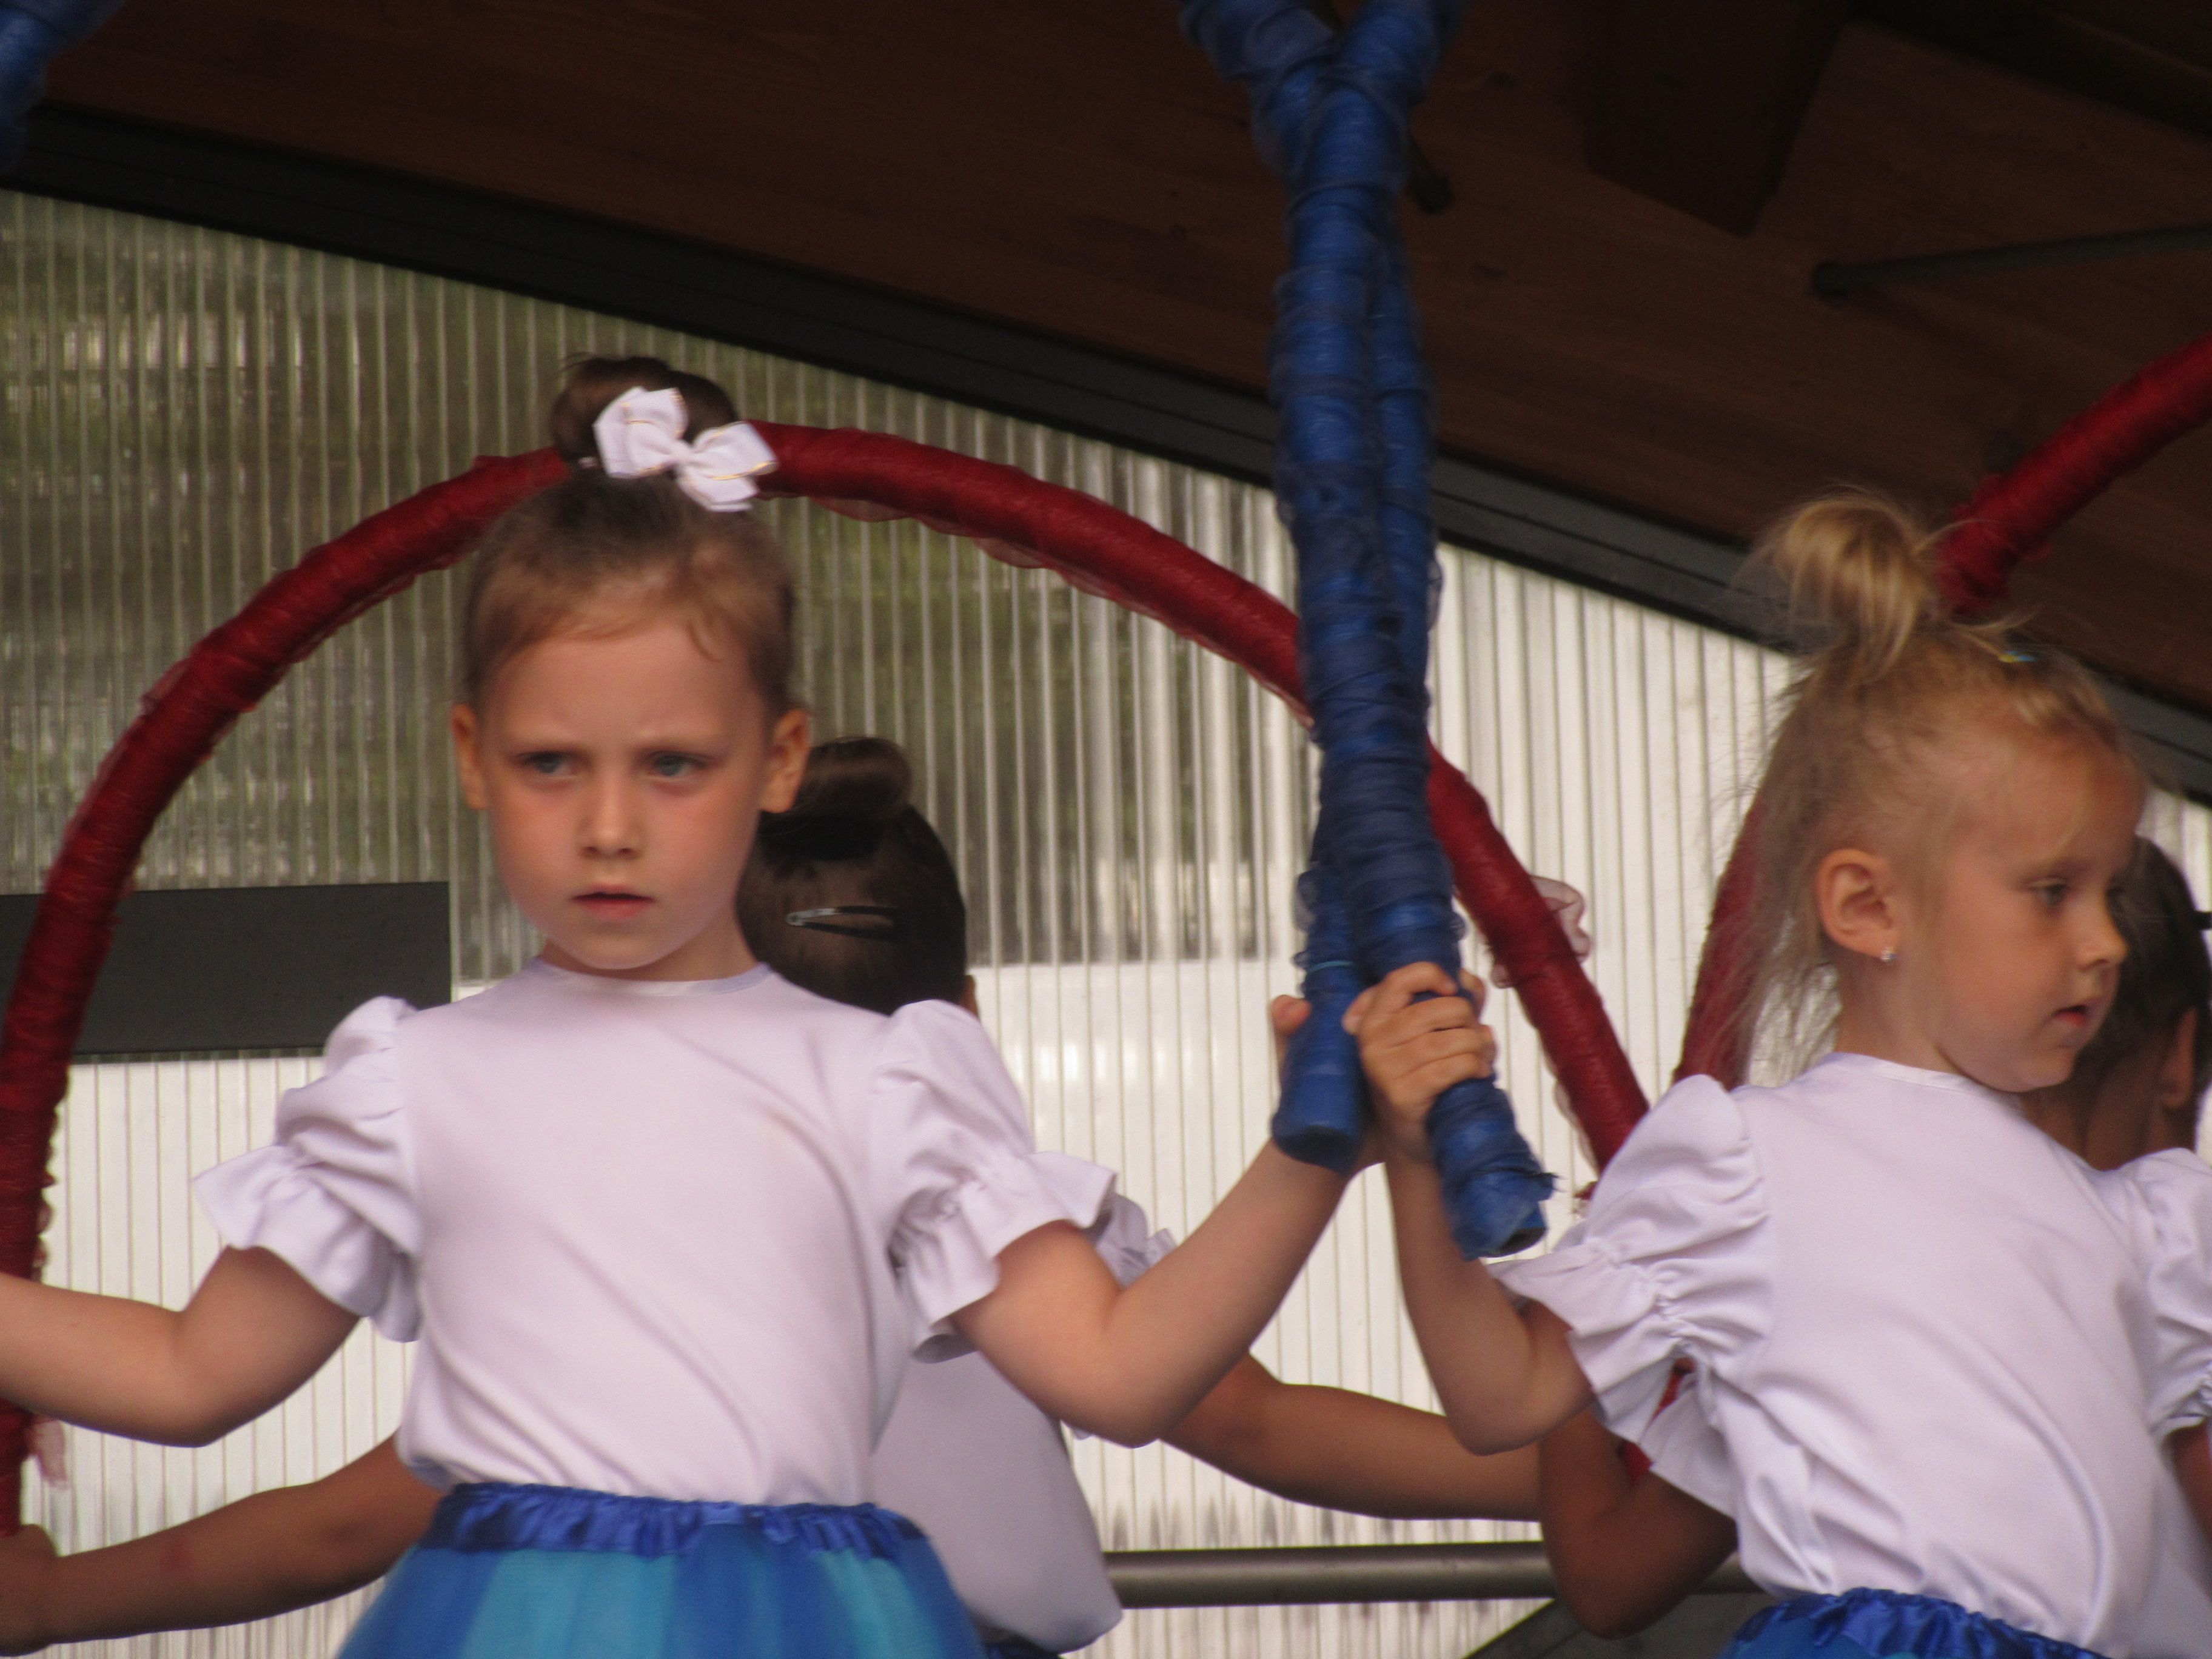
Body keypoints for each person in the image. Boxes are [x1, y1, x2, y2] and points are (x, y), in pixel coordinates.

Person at [0, 357, 1366, 1659]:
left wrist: (1308, 1153)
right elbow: (188, 1376)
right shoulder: (412, 1080)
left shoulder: (886, 1081)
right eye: (552, 763)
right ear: (472, 755)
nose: (609, 826)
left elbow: (1120, 1378)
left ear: (777, 757)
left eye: (673, 765)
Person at [0, 734, 1541, 1658]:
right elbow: (1247, 1418)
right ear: (965, 1018)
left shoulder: (947, 1203)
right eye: (554, 764)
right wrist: (1558, 1479)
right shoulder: (994, 1208)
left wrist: (63, 1602)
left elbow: (340, 1520)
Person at [1349, 490, 2212, 1657]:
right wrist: (1416, 1165)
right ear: (1868, 905)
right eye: (2053, 892)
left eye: (2108, 892)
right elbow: (1503, 1398)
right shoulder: (1747, 1162)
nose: (2105, 942)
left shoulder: (2134, 1222)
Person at [1533, 837, 2212, 1644]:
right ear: (2181, 1050)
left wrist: (1588, 1302)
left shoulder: (1853, 1271)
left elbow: (1609, 1574)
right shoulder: (2171, 1254)